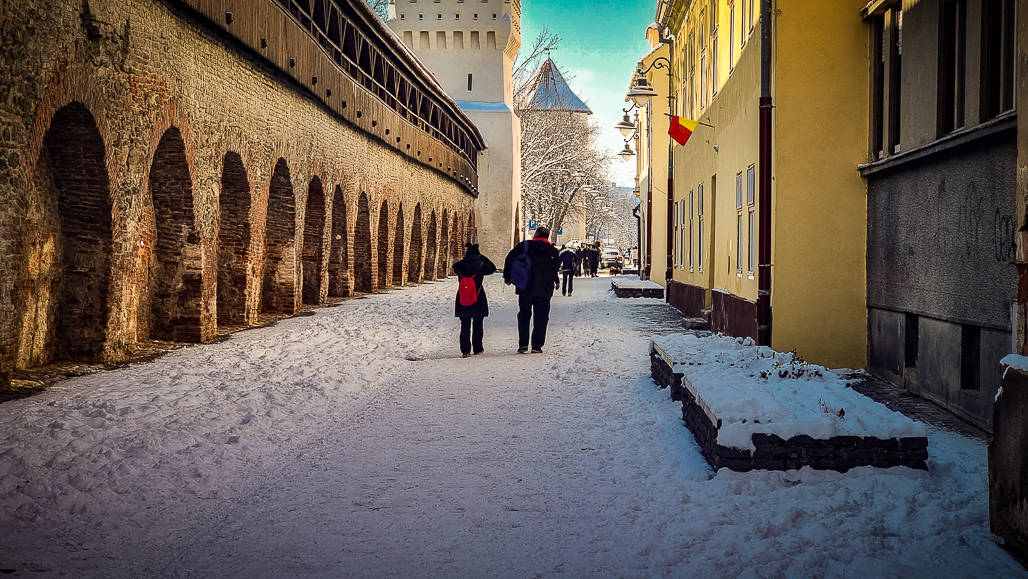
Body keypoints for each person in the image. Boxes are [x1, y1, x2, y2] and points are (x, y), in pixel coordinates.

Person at [503, 226, 560, 353]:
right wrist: (555, 280)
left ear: (536, 234)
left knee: (524, 315)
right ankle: (536, 346)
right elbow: (555, 268)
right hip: (544, 289)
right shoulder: (552, 250)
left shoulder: (524, 246)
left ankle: (523, 344)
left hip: (525, 287)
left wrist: (507, 277)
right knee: (541, 317)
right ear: (547, 236)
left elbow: (509, 258)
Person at [452, 243, 497, 358]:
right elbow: (493, 267)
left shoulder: (460, 265)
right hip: (478, 296)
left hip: (463, 296)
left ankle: (465, 350)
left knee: (465, 324)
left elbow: (454, 266)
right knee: (478, 323)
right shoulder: (481, 265)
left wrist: (465, 258)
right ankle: (478, 348)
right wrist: (481, 256)